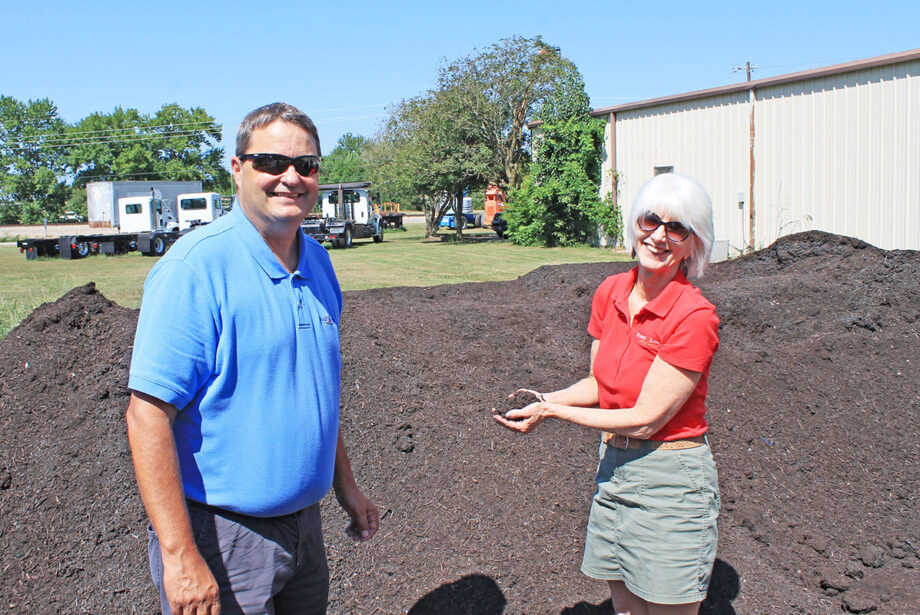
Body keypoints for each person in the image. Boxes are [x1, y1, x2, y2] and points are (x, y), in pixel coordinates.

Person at [126, 102, 379, 615]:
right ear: (238, 169)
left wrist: (345, 485)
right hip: (223, 538)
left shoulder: (319, 262)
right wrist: (180, 556)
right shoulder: (195, 269)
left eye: (306, 165)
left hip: (304, 530)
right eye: (271, 162)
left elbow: (314, 393)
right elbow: (147, 416)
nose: (291, 177)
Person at [494, 172, 720, 615]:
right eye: (651, 221)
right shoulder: (611, 291)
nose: (659, 236)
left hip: (670, 479)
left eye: (677, 228)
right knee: (625, 606)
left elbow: (646, 419)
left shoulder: (694, 316)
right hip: (614, 466)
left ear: (693, 244)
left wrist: (554, 413)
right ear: (635, 224)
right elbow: (600, 384)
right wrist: (545, 399)